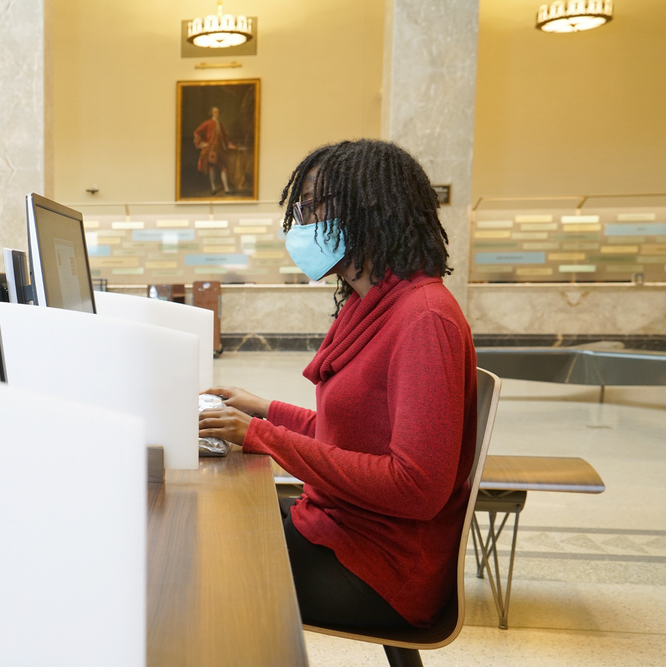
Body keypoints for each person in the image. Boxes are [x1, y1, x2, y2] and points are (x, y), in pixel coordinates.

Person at [198, 139, 478, 631]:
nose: (301, 223)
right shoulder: (369, 302)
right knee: (214, 523)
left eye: (311, 207)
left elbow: (415, 487)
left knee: (200, 572)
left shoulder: (424, 317)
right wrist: (265, 411)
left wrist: (262, 435)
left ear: (369, 209)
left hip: (381, 568)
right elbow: (354, 433)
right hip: (341, 525)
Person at [193, 106, 237, 195]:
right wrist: (202, 143)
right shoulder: (207, 123)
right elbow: (196, 132)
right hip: (212, 149)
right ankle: (213, 188)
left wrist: (229, 144)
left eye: (218, 112)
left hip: (220, 149)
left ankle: (226, 189)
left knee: (224, 168)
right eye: (215, 112)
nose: (217, 114)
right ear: (212, 113)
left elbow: (225, 137)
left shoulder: (220, 124)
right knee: (211, 168)